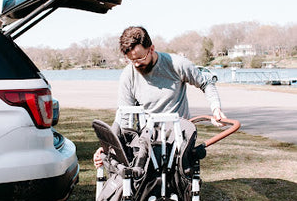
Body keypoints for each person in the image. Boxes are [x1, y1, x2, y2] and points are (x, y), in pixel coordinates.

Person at [93, 26, 226, 168]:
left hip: (178, 134)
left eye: (140, 58)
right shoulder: (128, 75)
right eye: (131, 60)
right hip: (148, 137)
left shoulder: (176, 64)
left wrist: (215, 108)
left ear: (151, 49)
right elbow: (124, 117)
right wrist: (110, 147)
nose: (136, 64)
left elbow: (205, 82)